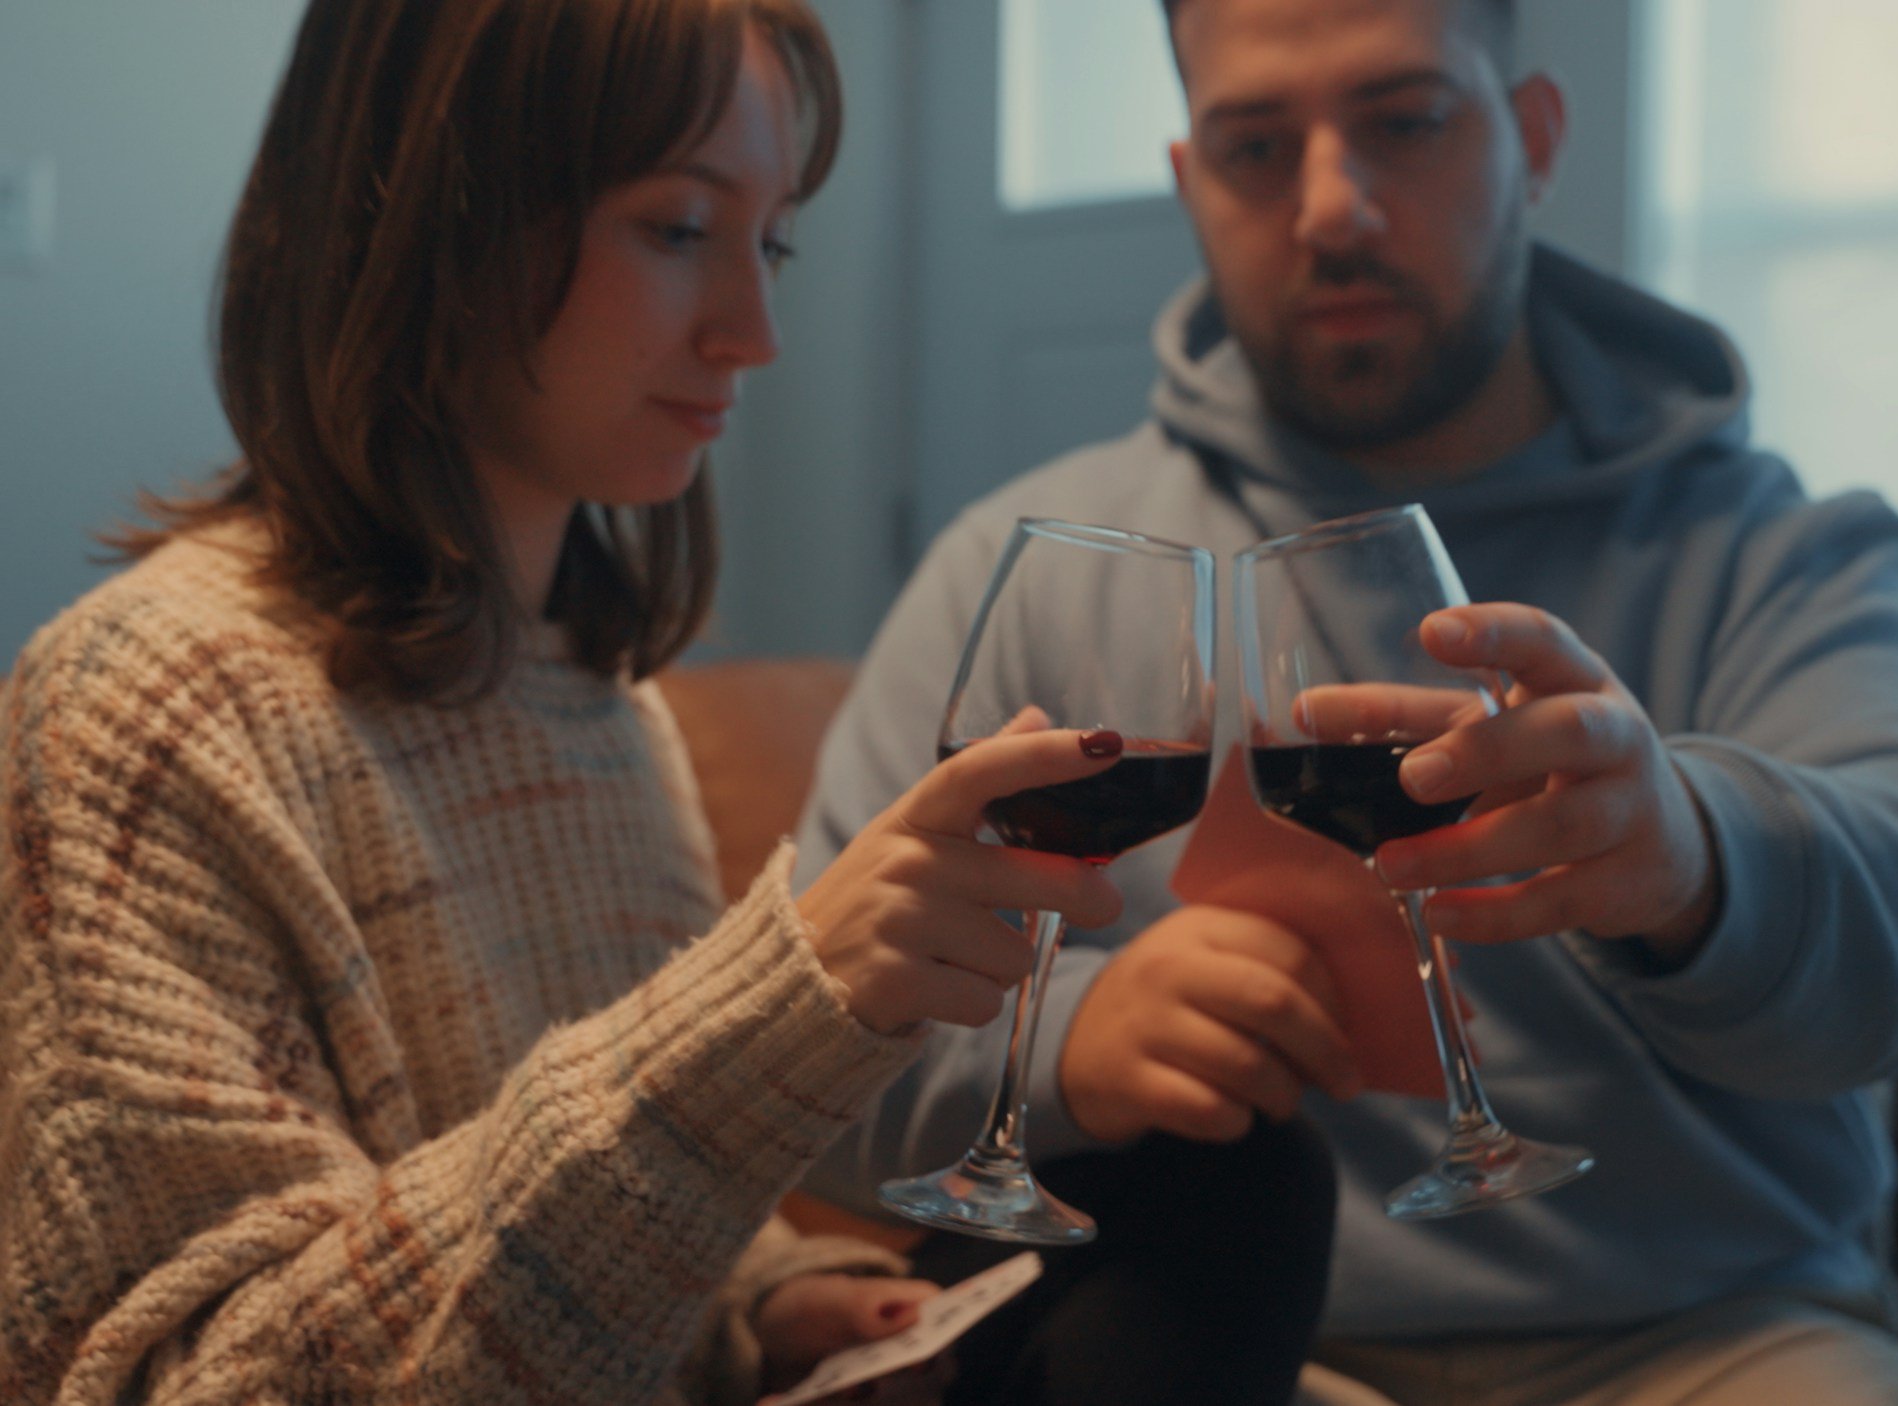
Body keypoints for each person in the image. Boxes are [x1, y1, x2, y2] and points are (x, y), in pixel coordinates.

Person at [0, 1, 1288, 1401]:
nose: (755, 332)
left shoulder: (599, 699)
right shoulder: (145, 708)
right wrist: (763, 1025)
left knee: (1228, 1185)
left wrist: (766, 1303)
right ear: (432, 219)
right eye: (679, 229)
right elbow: (186, 1379)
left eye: (771, 243)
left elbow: (579, 1223)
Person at [795, 0, 1898, 1403]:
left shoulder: (1760, 545)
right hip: (1231, 1343)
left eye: (1406, 121)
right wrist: (1075, 1043)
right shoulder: (1027, 564)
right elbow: (799, 1044)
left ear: (1533, 139)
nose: (1332, 207)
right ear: (1190, 181)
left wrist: (1697, 853)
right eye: (1255, 147)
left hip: (1712, 1341)